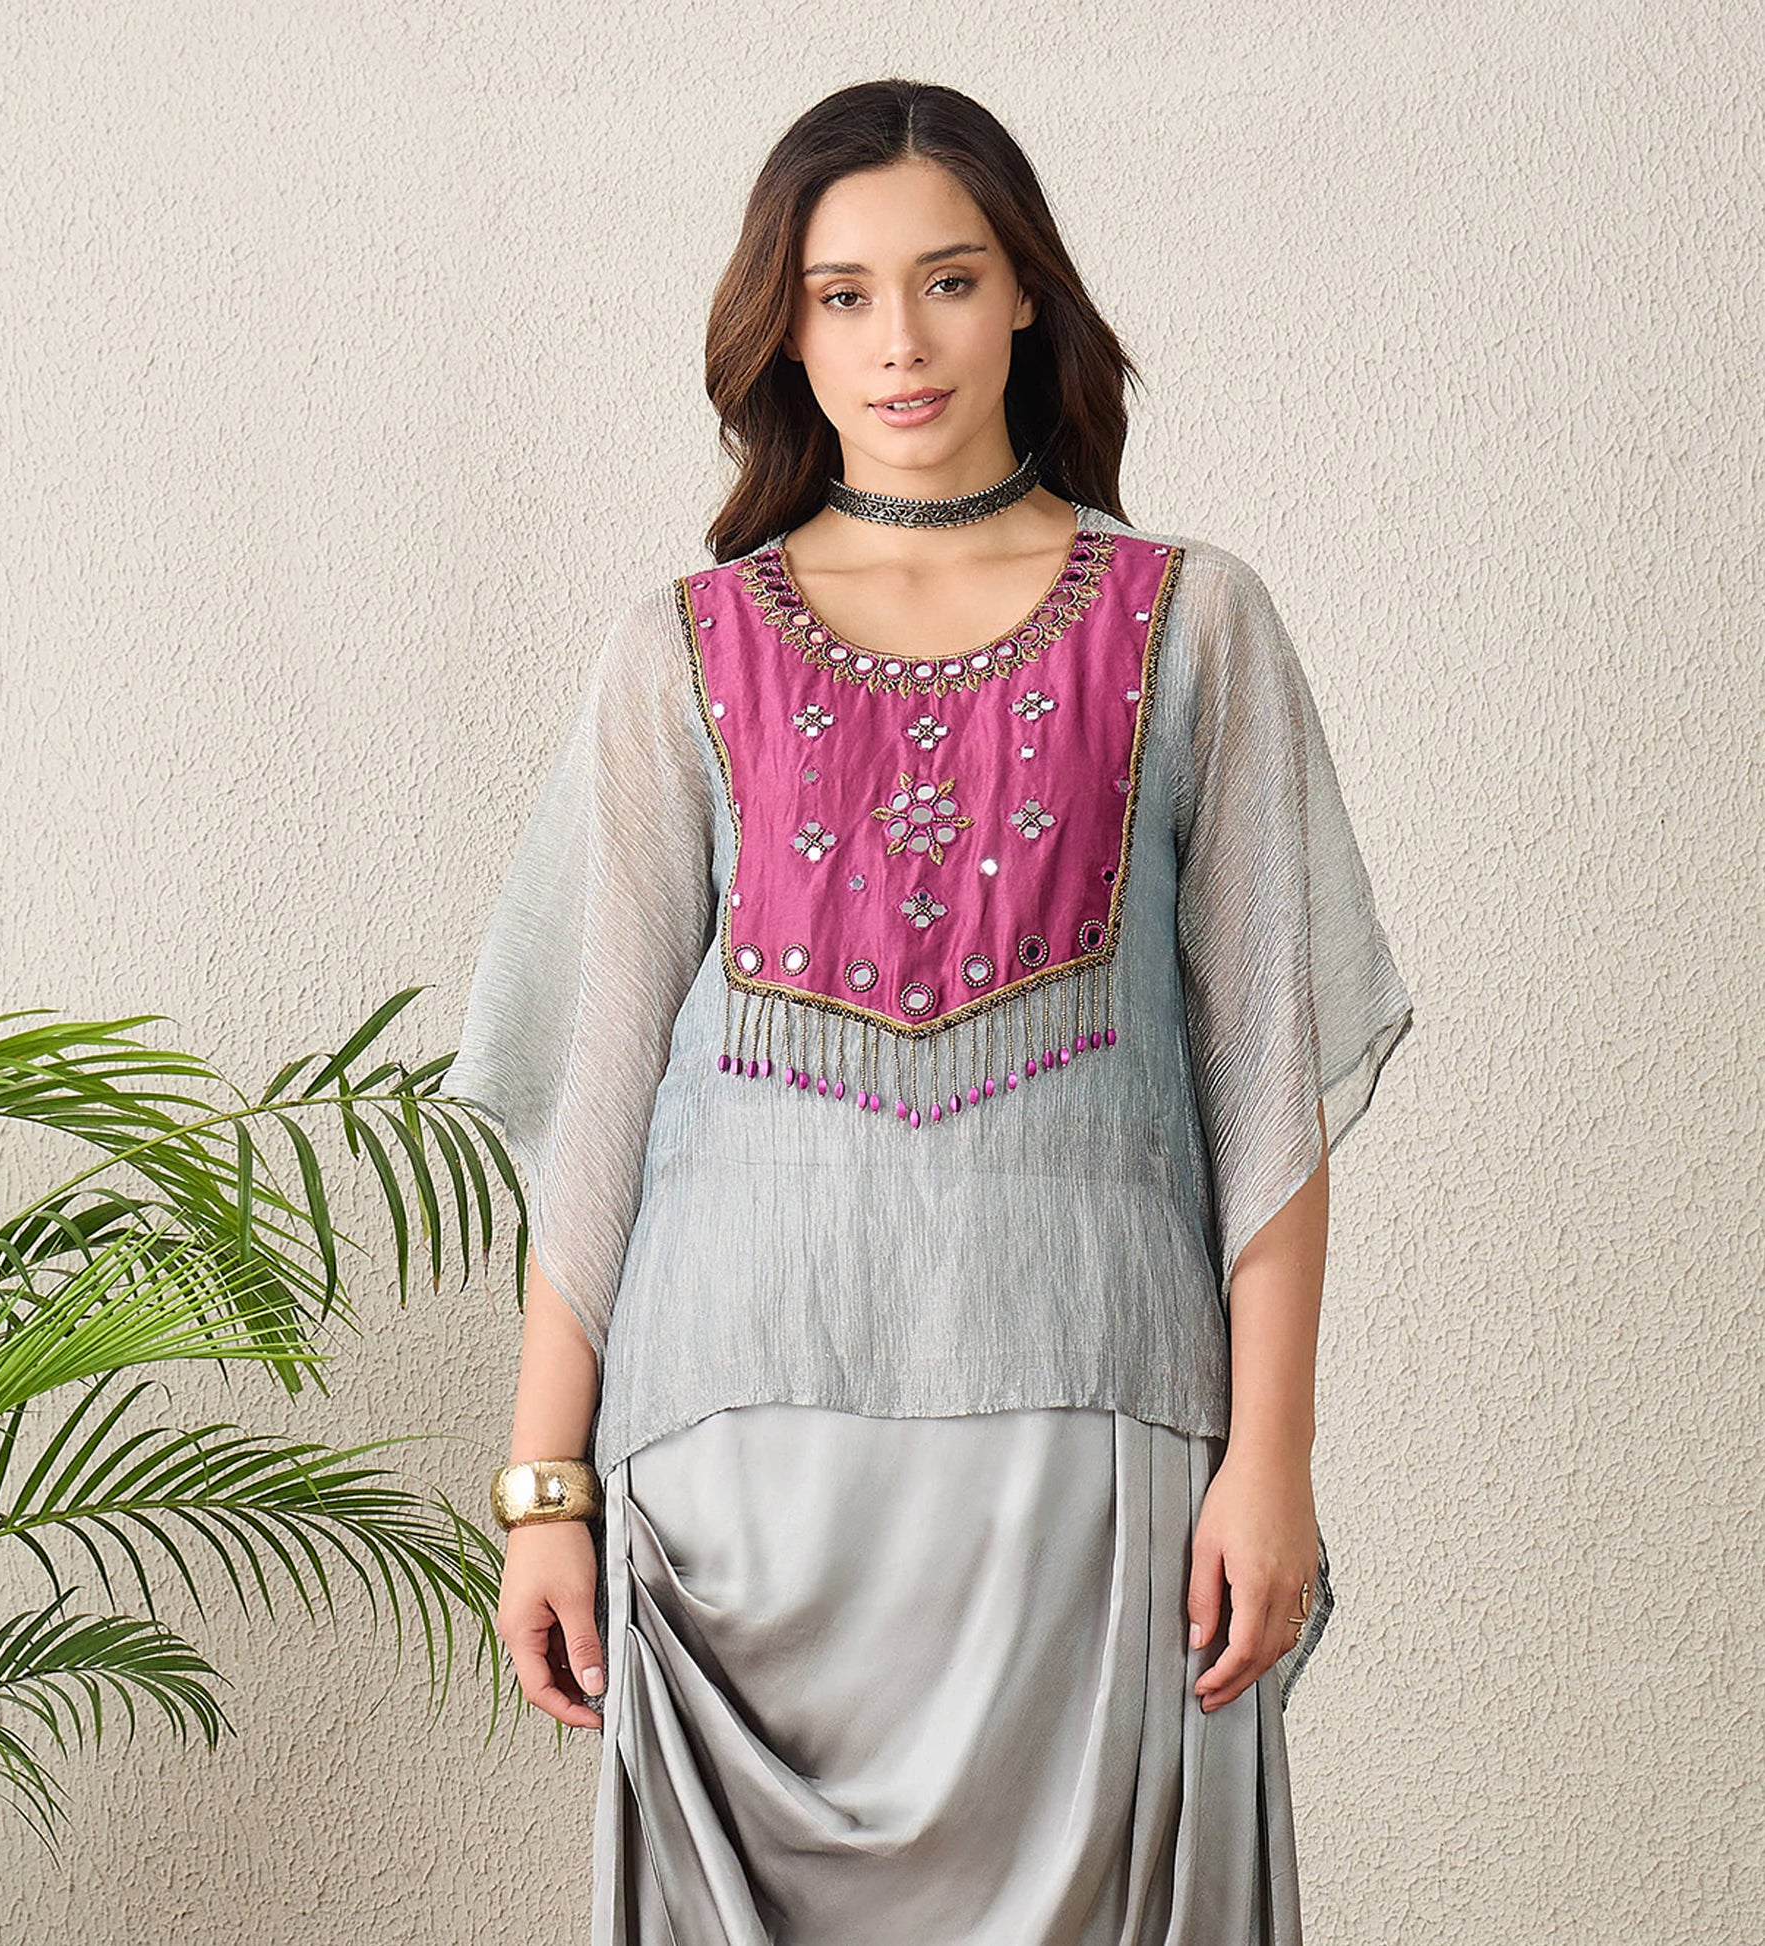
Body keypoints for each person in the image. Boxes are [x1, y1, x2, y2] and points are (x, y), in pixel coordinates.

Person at [446, 77, 1413, 1945]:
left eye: (948, 280)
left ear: (1026, 295)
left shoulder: (1196, 625)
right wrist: (541, 1488)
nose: (899, 340)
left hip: (1091, 1439)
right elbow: (597, 1094)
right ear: (784, 328)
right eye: (841, 295)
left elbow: (1265, 1085)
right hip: (735, 1474)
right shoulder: (674, 650)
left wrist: (1273, 1459)